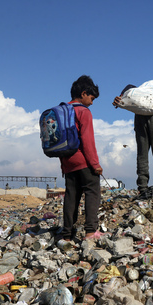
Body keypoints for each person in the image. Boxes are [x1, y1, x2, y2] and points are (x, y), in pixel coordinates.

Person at [60, 75, 103, 241]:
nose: (92, 102)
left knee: (71, 197)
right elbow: (87, 140)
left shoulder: (63, 111)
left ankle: (67, 235)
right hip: (82, 161)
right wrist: (95, 164)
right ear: (84, 94)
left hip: (67, 162)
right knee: (92, 192)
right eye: (91, 98)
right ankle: (91, 232)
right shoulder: (83, 111)